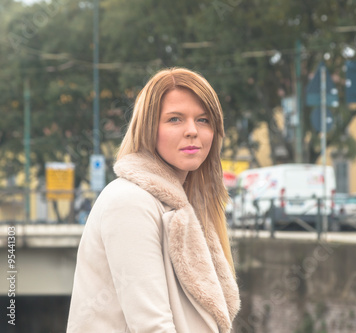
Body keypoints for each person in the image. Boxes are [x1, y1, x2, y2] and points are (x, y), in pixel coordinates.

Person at [67, 67, 240, 332]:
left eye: (204, 120)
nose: (192, 130)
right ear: (148, 128)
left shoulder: (190, 207)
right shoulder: (129, 202)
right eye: (175, 119)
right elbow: (152, 327)